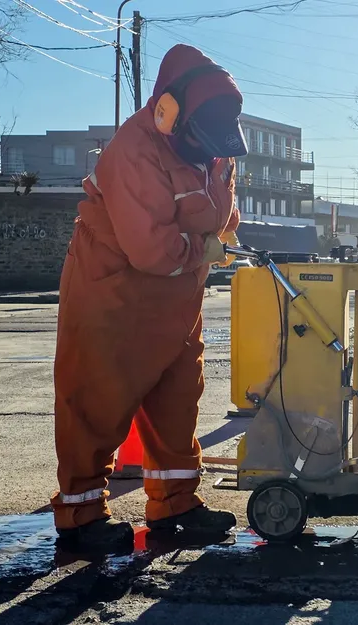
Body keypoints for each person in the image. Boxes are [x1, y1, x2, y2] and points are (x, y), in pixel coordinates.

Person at [50, 44, 246, 552]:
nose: (212, 156)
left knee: (178, 397)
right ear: (168, 115)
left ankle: (175, 504)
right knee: (96, 396)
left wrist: (216, 241)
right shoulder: (133, 150)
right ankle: (81, 515)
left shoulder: (215, 147)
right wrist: (205, 247)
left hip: (178, 294)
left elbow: (223, 214)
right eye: (203, 146)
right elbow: (151, 250)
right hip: (112, 289)